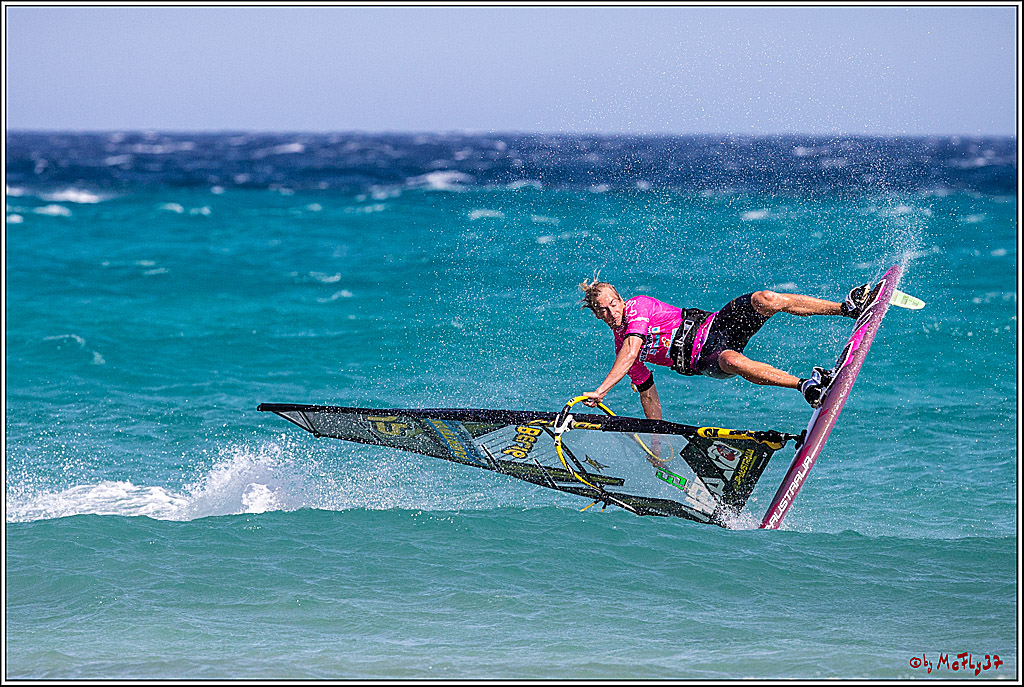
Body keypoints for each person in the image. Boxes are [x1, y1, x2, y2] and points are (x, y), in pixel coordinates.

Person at [579, 277, 872, 419]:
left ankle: (846, 308)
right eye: (602, 310)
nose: (611, 312)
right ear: (596, 315)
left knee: (765, 299)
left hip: (716, 325)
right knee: (731, 359)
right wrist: (657, 440)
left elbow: (632, 349)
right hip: (704, 359)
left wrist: (601, 390)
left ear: (621, 299)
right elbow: (648, 394)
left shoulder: (638, 308)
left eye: (613, 304)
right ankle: (807, 386)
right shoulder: (622, 347)